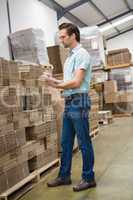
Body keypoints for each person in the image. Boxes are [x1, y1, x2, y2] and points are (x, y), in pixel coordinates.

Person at [45, 23, 96, 192]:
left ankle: (89, 178)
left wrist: (57, 85)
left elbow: (76, 82)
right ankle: (64, 176)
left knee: (83, 143)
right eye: (60, 37)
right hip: (69, 102)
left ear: (73, 35)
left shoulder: (82, 55)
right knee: (66, 142)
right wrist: (54, 81)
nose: (61, 40)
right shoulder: (69, 58)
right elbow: (68, 83)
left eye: (63, 37)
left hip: (79, 101)